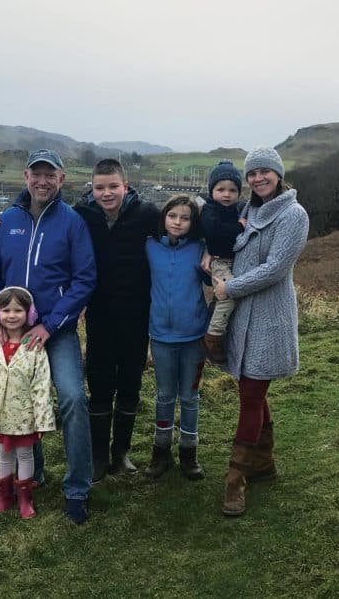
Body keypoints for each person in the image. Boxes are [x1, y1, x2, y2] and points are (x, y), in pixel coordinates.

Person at [0, 149, 97, 525]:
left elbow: (85, 279)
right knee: (19, 402)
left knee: (74, 399)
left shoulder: (72, 223)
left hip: (54, 332)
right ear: (26, 177)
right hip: (13, 332)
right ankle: (32, 475)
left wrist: (52, 323)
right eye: (37, 174)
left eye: (51, 175)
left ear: (61, 179)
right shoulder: (7, 222)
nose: (43, 181)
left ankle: (77, 488)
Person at [212, 148, 308, 517]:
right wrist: (210, 261)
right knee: (249, 389)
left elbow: (275, 268)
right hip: (242, 317)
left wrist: (229, 289)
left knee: (252, 393)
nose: (257, 179)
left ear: (278, 174)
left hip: (268, 318)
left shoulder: (293, 215)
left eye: (265, 172)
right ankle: (264, 461)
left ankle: (235, 478)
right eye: (252, 174)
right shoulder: (247, 211)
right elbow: (233, 250)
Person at [73, 159, 160, 482]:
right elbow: (42, 207)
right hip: (99, 317)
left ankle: (120, 452)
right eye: (100, 187)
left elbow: (186, 222)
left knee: (130, 385)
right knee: (99, 386)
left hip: (138, 317)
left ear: (126, 186)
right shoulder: (82, 214)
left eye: (113, 186)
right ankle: (98, 457)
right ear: (91, 188)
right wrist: (12, 208)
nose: (106, 193)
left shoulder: (148, 215)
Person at [0, 286, 55, 519]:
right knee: (3, 455)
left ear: (29, 313)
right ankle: (3, 497)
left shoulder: (34, 346)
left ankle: (25, 498)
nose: (12, 315)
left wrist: (42, 419)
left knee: (25, 454)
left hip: (25, 416)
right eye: (6, 310)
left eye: (18, 310)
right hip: (1, 415)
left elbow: (41, 384)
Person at [144, 195, 209, 480]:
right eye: (173, 216)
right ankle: (161, 452)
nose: (178, 222)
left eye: (185, 218)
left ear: (193, 222)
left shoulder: (201, 249)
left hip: (194, 335)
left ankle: (189, 453)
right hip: (160, 335)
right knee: (165, 396)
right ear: (164, 217)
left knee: (190, 397)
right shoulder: (149, 246)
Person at [197, 160, 247, 365]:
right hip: (219, 262)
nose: (227, 194)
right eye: (221, 189)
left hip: (232, 261)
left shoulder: (239, 208)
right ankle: (213, 337)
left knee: (223, 295)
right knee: (230, 294)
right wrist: (238, 227)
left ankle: (212, 319)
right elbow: (214, 231)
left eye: (232, 190)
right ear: (212, 191)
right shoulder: (210, 210)